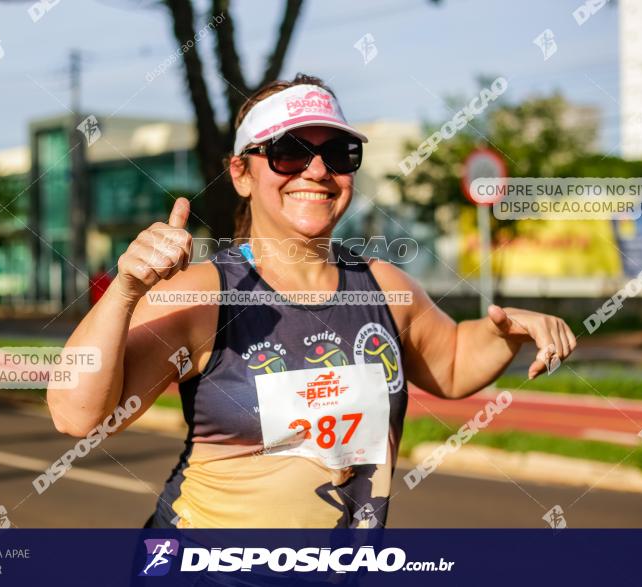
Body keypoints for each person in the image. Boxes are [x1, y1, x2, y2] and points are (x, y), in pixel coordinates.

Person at [47, 73, 576, 529]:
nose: (317, 170)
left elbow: (453, 362)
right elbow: (77, 416)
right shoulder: (207, 291)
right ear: (241, 173)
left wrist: (508, 331)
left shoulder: (383, 284)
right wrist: (126, 291)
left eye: (339, 153)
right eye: (289, 151)